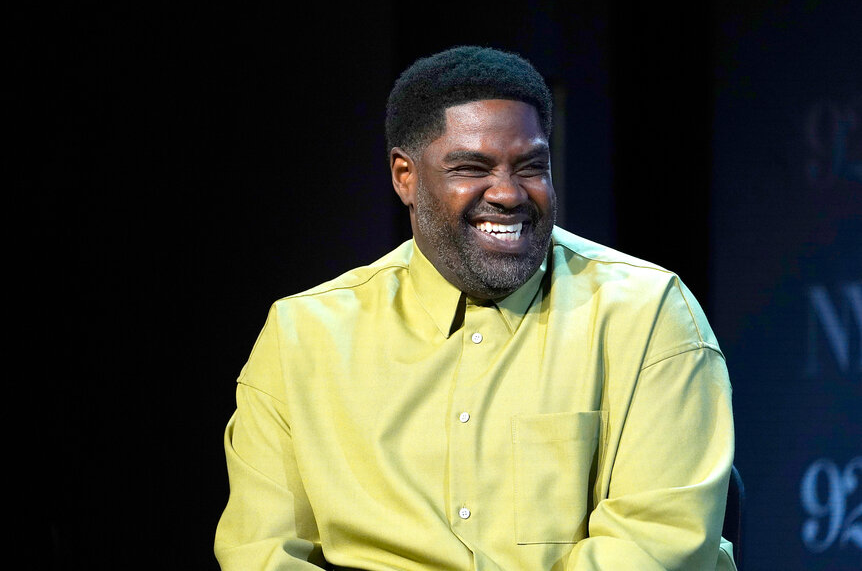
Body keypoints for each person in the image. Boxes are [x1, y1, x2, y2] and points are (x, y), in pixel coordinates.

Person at [214, 45, 737, 570]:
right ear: (405, 176)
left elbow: (655, 544)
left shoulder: (646, 313)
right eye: (472, 167)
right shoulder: (303, 336)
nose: (508, 194)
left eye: (531, 167)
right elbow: (261, 553)